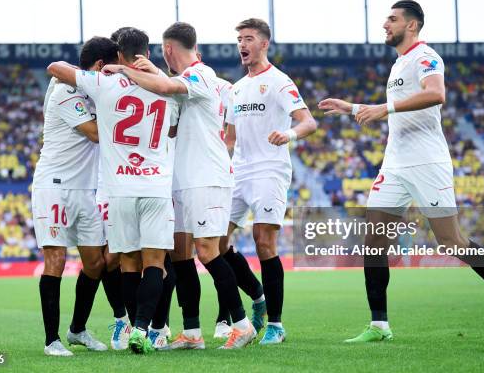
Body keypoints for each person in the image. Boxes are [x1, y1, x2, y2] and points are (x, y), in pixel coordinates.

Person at [318, 0, 484, 342]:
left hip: (428, 162)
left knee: (451, 240)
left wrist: (384, 107)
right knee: (374, 242)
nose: (385, 24)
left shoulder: (426, 57)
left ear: (411, 25)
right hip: (395, 163)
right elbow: (393, 110)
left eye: (392, 19)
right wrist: (351, 107)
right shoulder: (400, 63)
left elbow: (436, 93)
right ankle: (379, 326)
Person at [103, 22, 256, 350]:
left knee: (208, 251)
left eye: (163, 52)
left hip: (207, 178)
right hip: (184, 180)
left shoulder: (201, 74)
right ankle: (192, 332)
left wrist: (125, 71)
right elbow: (169, 113)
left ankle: (242, 324)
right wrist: (154, 73)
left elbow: (170, 88)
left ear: (169, 49)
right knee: (182, 255)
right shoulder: (181, 80)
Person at [48, 28, 179, 354]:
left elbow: (57, 69)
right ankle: (146, 330)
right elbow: (174, 125)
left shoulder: (106, 83)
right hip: (156, 185)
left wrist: (112, 72)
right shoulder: (168, 89)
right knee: (157, 263)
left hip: (118, 187)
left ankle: (130, 324)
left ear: (118, 57)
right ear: (147, 54)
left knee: (126, 263)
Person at [224, 18, 317, 344]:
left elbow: (308, 121)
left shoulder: (279, 81)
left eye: (248, 38)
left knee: (265, 242)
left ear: (264, 43)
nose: (242, 45)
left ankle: (275, 325)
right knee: (214, 243)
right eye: (239, 39)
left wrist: (289, 133)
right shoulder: (235, 88)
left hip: (269, 170)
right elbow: (229, 138)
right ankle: (257, 294)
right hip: (239, 171)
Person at [33, 37, 118, 356]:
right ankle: (51, 340)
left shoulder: (90, 88)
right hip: (54, 186)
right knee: (55, 259)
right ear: (99, 66)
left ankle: (77, 330)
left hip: (85, 190)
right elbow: (95, 133)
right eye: (112, 69)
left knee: (96, 263)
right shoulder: (65, 91)